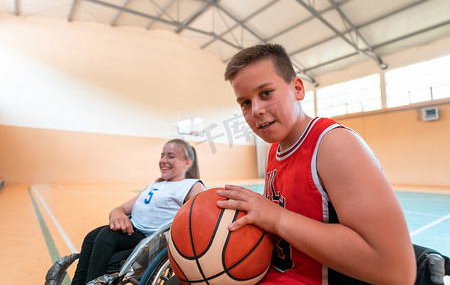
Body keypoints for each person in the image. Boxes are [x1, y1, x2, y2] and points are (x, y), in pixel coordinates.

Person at [214, 44, 416, 284]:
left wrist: (278, 219)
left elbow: (396, 270)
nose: (256, 109)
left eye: (266, 93)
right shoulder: (274, 152)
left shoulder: (333, 144)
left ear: (298, 89)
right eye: (245, 102)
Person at [71, 139, 205, 285]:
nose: (163, 160)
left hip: (151, 239)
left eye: (171, 156)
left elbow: (203, 213)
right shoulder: (156, 183)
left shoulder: (191, 185)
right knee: (91, 237)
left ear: (187, 163)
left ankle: (92, 282)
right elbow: (122, 208)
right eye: (162, 155)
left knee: (106, 237)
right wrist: (117, 213)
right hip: (134, 229)